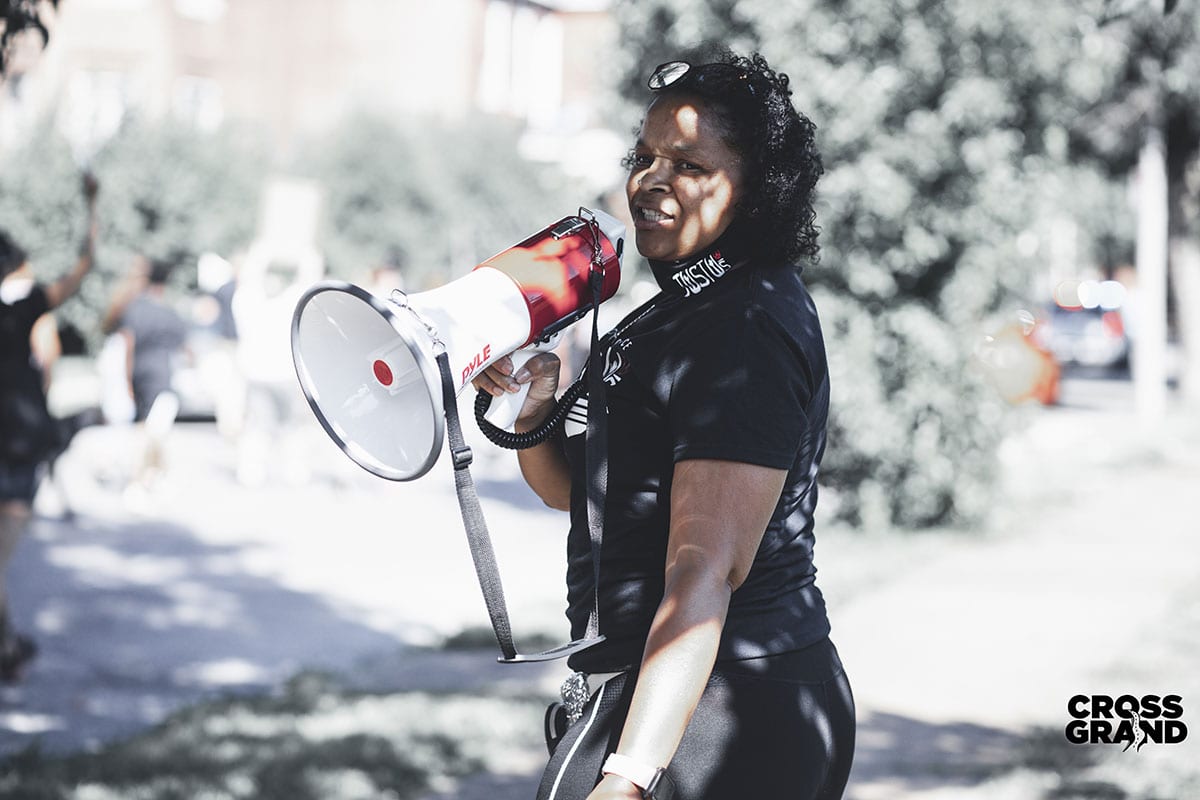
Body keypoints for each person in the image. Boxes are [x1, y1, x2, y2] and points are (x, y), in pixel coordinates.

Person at [475, 51, 854, 799]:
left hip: (722, 709)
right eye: (644, 157)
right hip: (666, 690)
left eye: (688, 164)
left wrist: (628, 777)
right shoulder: (681, 306)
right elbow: (579, 497)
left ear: (757, 188)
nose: (652, 179)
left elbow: (704, 568)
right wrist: (539, 408)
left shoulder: (742, 324)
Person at [0, 172, 99, 681]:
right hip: (21, 446)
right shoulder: (31, 304)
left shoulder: (24, 304)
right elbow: (83, 267)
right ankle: (11, 648)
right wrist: (91, 206)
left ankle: (11, 648)